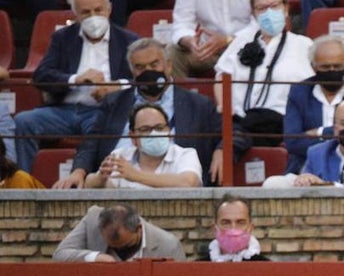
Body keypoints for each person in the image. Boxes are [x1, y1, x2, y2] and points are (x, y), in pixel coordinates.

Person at [57, 37, 224, 189]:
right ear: (132, 71)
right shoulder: (114, 102)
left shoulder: (198, 104)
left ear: (168, 65)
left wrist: (221, 150)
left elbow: (228, 132)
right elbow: (91, 142)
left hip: (174, 184)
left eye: (154, 65)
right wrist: (79, 171)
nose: (148, 71)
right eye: (140, 67)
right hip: (117, 185)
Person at [13, 0, 138, 172]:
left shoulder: (128, 40)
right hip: (64, 111)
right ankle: (23, 181)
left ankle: (95, 182)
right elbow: (41, 75)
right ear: (76, 14)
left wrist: (116, 86)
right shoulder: (63, 38)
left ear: (109, 9)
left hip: (102, 112)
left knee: (103, 130)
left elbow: (140, 80)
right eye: (86, 12)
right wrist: (75, 79)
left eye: (98, 10)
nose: (93, 17)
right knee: (23, 122)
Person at [214, 0, 314, 152]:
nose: (269, 13)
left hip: (278, 121)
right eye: (261, 8)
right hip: (237, 118)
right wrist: (224, 106)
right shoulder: (241, 41)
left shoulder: (304, 45)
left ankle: (226, 149)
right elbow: (222, 75)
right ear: (254, 14)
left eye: (274, 6)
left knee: (232, 138)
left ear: (286, 9)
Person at [283, 35, 344, 174]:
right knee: (273, 183)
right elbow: (293, 143)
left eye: (337, 66)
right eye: (325, 67)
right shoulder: (299, 92)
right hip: (305, 169)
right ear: (314, 67)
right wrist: (342, 134)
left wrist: (320, 132)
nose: (332, 70)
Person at [83, 104, 203, 188]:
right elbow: (90, 184)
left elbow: (189, 183)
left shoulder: (185, 154)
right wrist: (100, 178)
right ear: (133, 137)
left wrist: (135, 175)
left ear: (169, 131)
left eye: (159, 128)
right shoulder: (120, 155)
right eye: (145, 129)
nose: (154, 134)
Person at [53, 203, 186, 262]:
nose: (119, 251)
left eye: (126, 246)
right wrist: (95, 257)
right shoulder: (92, 220)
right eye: (112, 247)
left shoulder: (168, 245)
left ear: (138, 229)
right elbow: (60, 255)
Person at [168, 0, 254, 78]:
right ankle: (176, 87)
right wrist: (191, 41)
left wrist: (228, 40)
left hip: (246, 48)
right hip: (209, 51)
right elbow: (182, 24)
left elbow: (258, 26)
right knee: (174, 52)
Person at [199, 194, 271, 261]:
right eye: (226, 223)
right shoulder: (198, 267)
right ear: (215, 229)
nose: (233, 228)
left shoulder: (268, 267)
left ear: (250, 228)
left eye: (240, 223)